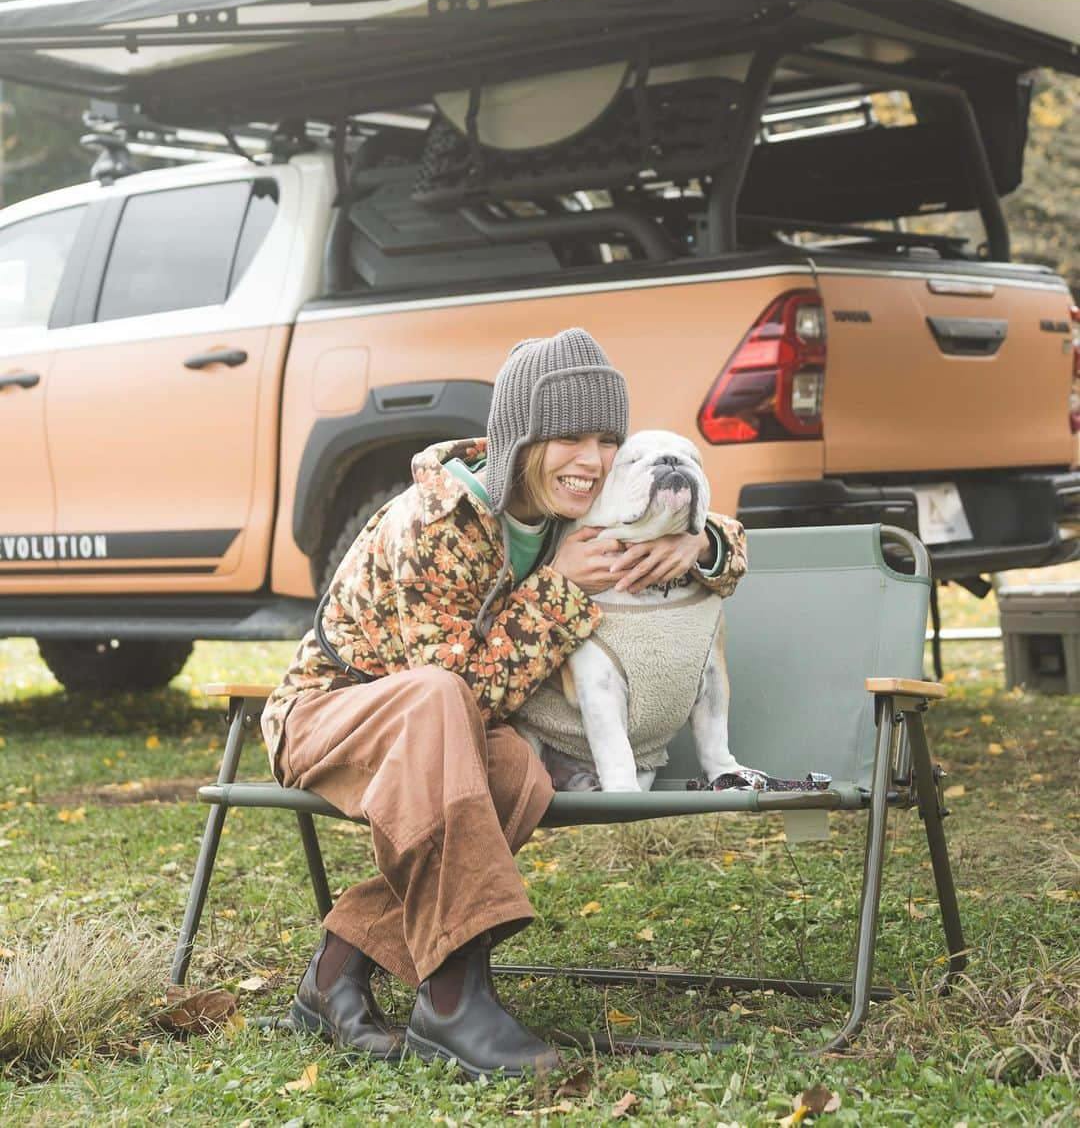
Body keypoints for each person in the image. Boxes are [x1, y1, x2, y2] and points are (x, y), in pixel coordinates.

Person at [260, 328, 746, 1077]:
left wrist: (700, 545)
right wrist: (558, 587)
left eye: (607, 438)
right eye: (568, 437)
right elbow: (458, 692)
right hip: (332, 714)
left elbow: (727, 534)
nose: (592, 460)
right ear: (520, 438)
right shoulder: (434, 521)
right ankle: (453, 997)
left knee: (519, 774)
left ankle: (333, 976)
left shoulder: (564, 511)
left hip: (438, 735)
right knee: (440, 700)